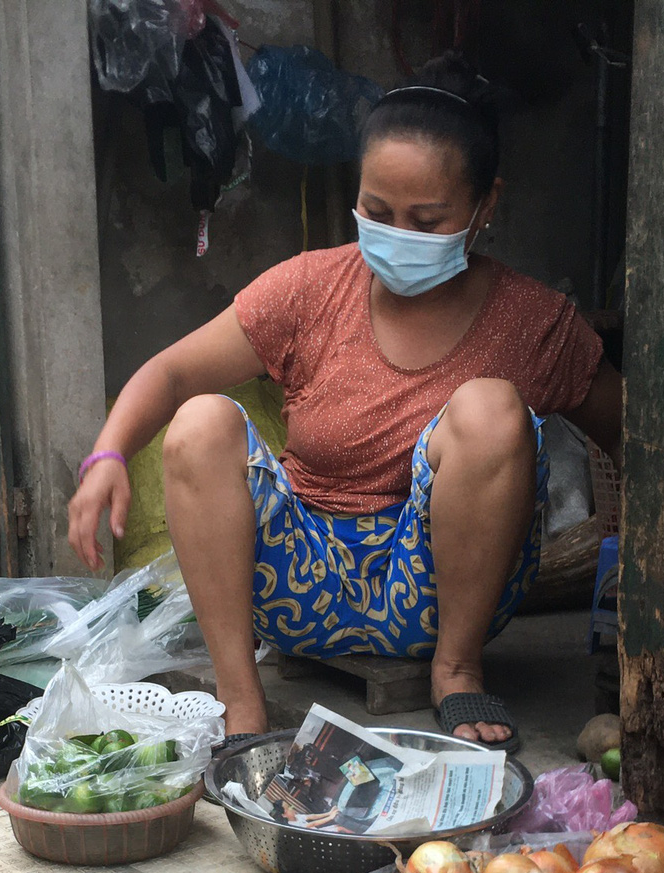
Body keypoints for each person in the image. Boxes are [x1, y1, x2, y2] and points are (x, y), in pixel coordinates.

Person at [66, 56, 623, 752]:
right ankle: (243, 705)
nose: (397, 235)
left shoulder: (532, 322)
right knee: (200, 422)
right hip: (299, 585)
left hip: (435, 597)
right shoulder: (310, 289)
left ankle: (457, 672)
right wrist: (108, 455)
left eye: (427, 220)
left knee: (491, 410)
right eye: (378, 212)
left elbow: (636, 435)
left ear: (486, 207)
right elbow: (174, 373)